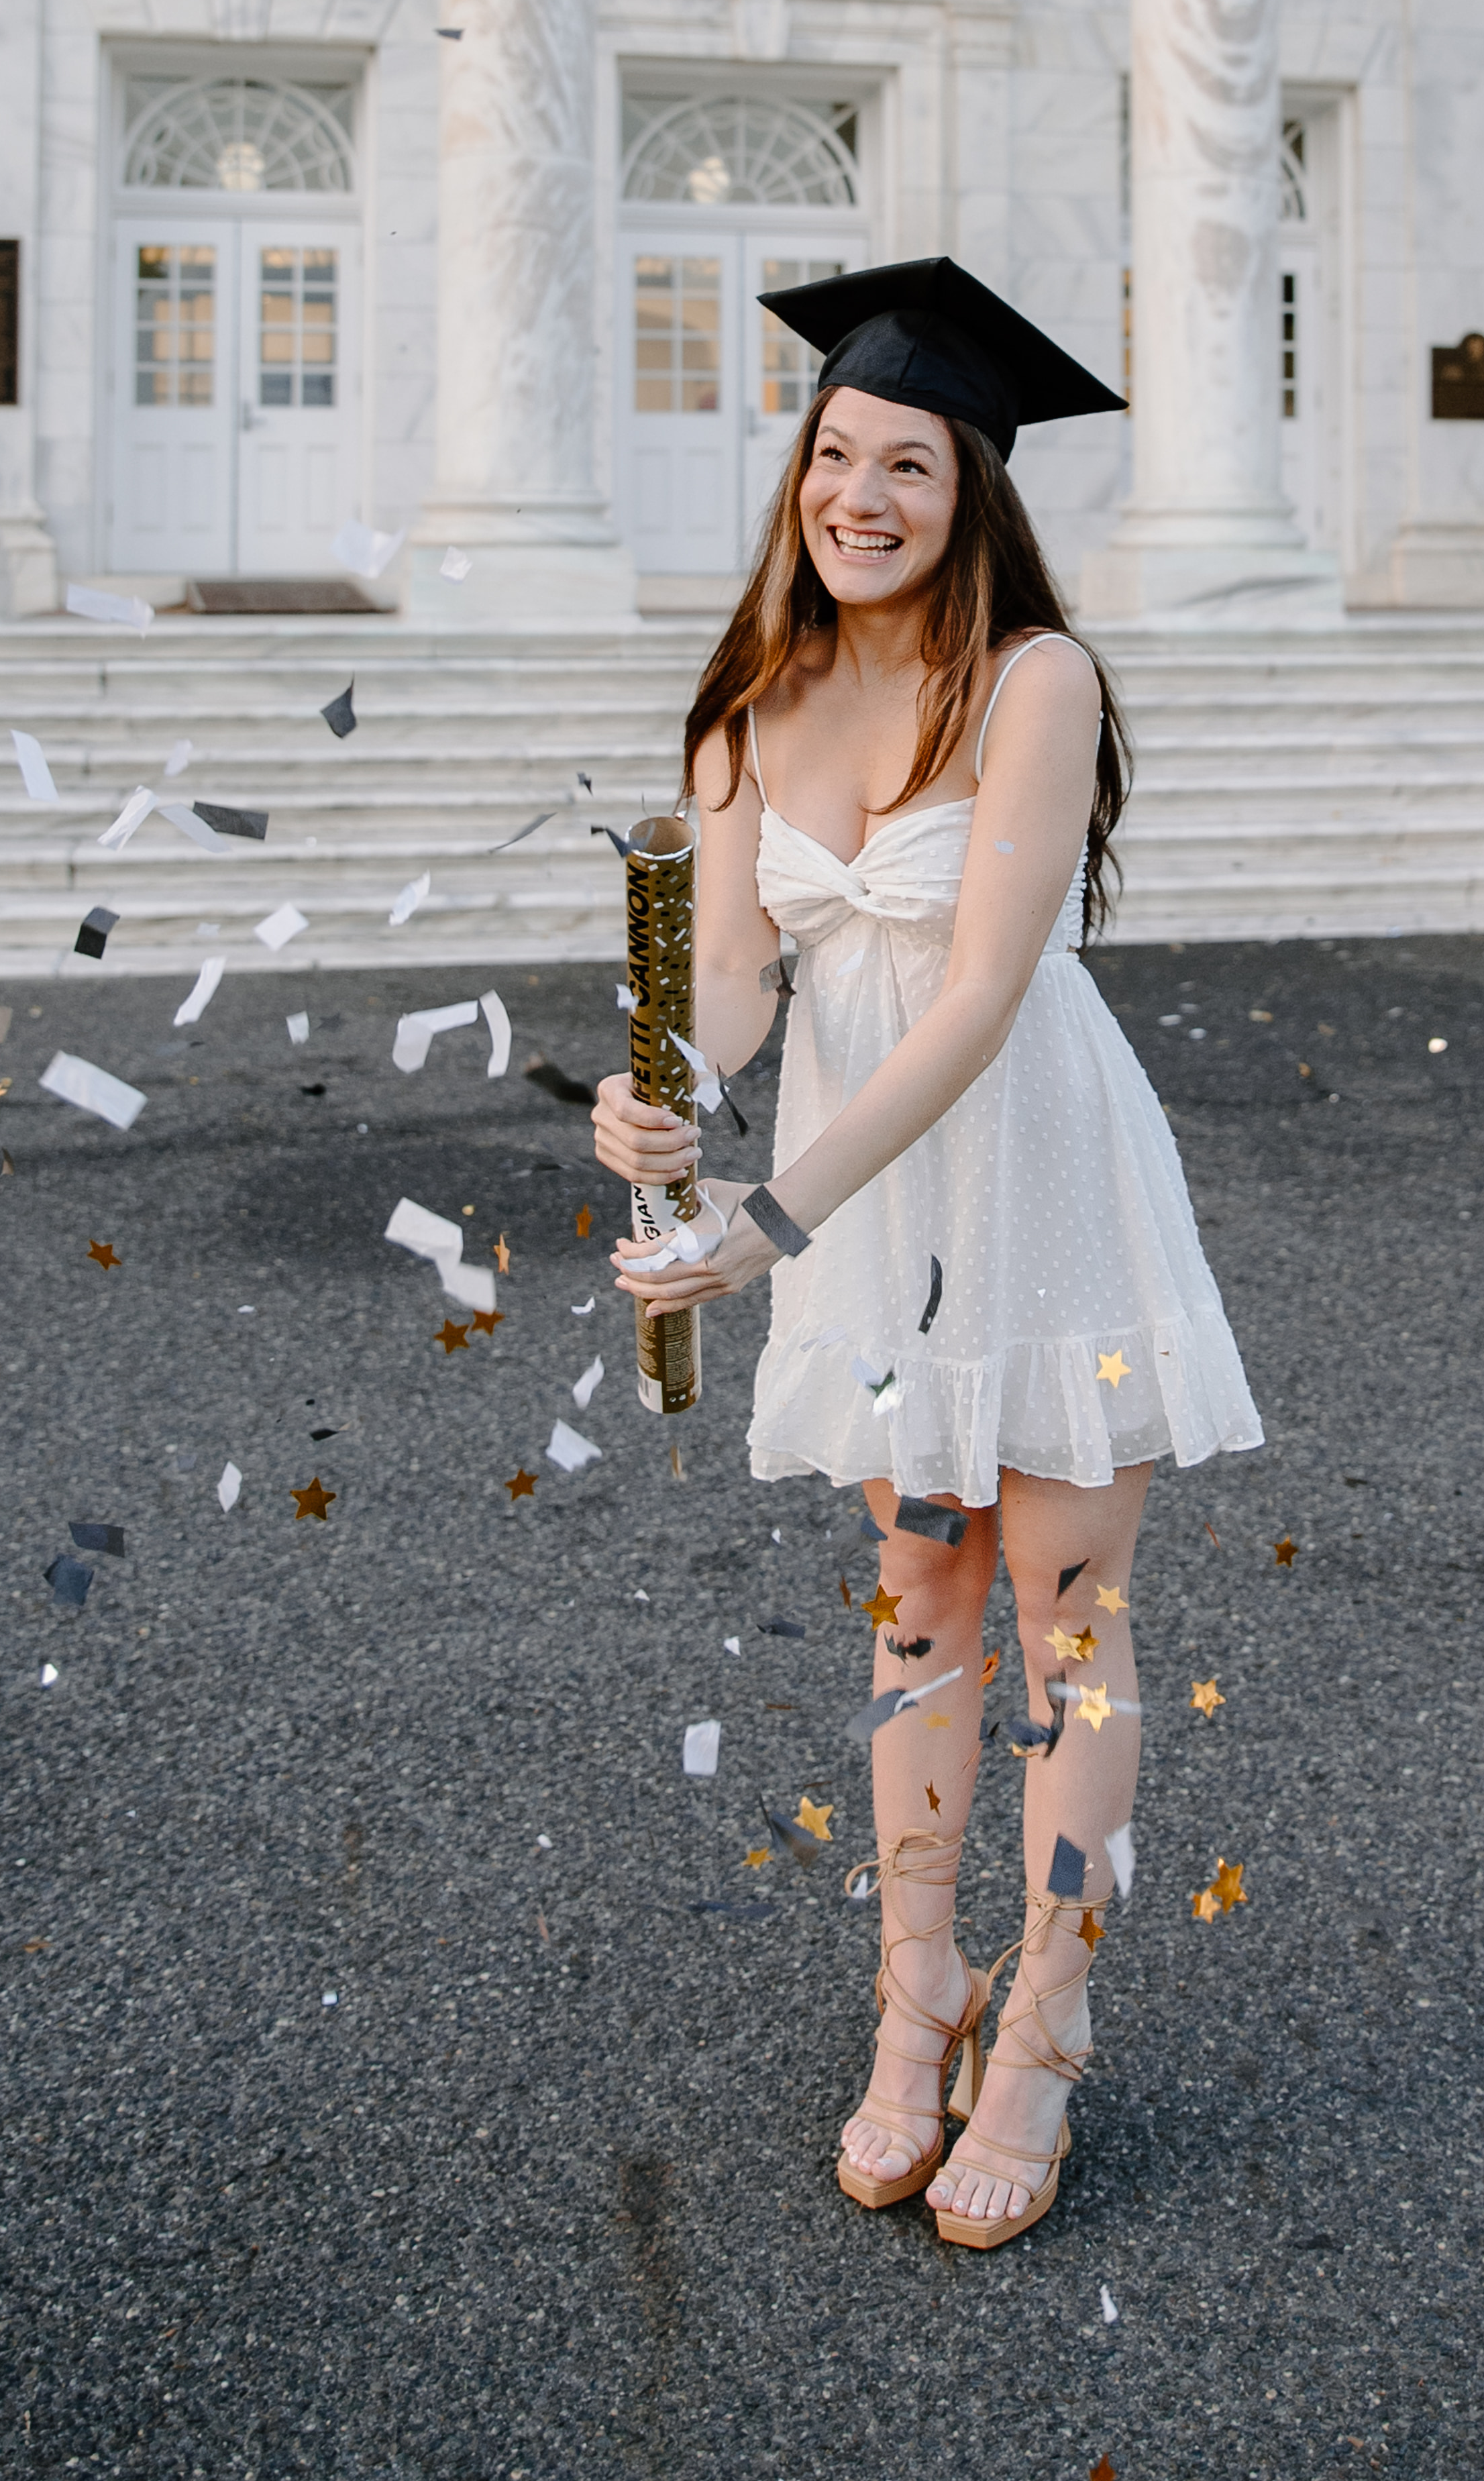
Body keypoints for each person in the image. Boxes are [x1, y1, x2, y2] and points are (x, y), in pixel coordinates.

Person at [593, 256, 1263, 2250]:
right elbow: (728, 983)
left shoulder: (1034, 679)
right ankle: (915, 2007)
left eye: (906, 463)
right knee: (916, 1591)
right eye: (831, 454)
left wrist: (770, 1220)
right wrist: (659, 1104)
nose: (857, 494)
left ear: (971, 491)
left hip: (1032, 1178)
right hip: (866, 1208)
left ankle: (1044, 2023)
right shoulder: (747, 701)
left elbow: (977, 1000)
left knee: (1061, 1608)